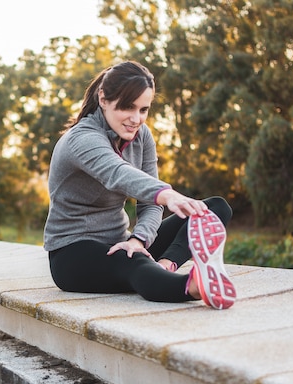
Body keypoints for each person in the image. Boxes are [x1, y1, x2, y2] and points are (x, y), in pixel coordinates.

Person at [43, 61, 236, 309]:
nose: (136, 119)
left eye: (143, 110)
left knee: (213, 209)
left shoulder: (141, 136)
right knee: (132, 263)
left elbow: (149, 205)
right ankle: (193, 287)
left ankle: (166, 266)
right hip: (72, 255)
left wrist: (139, 241)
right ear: (103, 98)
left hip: (121, 241)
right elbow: (118, 173)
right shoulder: (81, 139)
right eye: (127, 107)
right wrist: (167, 195)